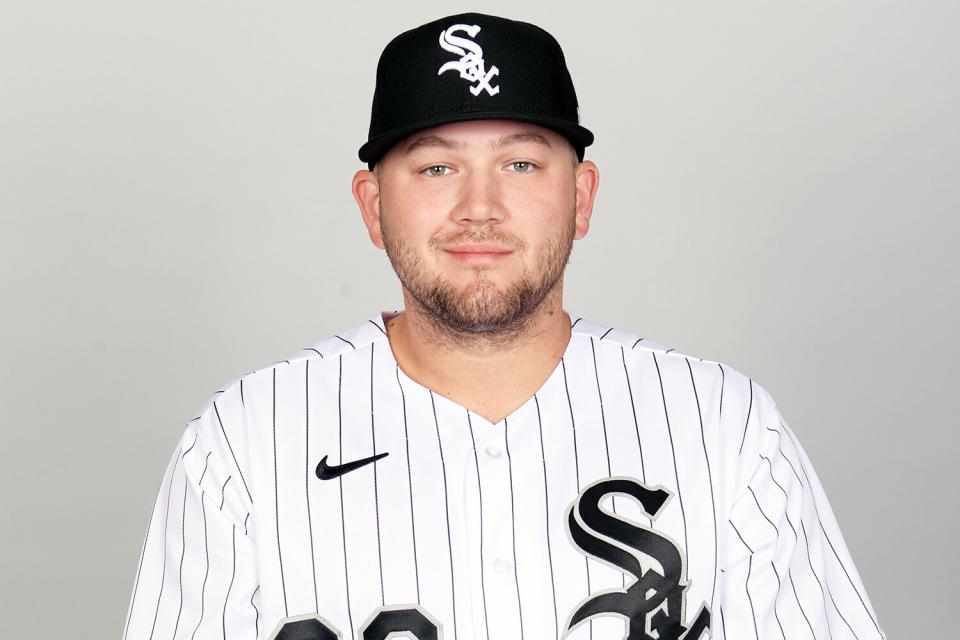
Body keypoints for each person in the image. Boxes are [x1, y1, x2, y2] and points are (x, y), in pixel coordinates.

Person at [123, 12, 885, 640]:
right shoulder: (245, 444)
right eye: (435, 168)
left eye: (521, 164)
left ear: (581, 198)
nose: (478, 208)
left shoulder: (726, 427)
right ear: (371, 204)